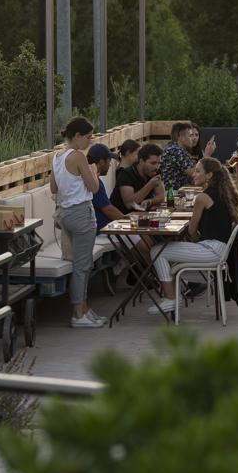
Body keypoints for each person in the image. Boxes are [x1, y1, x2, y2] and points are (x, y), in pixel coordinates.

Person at [148, 157, 238, 316]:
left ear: (209, 175)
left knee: (157, 251)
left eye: (198, 171)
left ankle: (171, 298)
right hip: (223, 250)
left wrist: (195, 240)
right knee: (168, 253)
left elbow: (192, 232)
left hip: (211, 251)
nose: (194, 173)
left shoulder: (202, 198)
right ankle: (176, 293)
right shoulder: (227, 193)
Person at [49, 116, 106, 328]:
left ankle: (83, 309)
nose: (90, 141)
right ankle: (78, 314)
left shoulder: (56, 156)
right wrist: (92, 172)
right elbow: (94, 188)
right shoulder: (79, 157)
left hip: (65, 215)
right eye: (89, 137)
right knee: (82, 266)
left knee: (79, 264)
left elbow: (54, 188)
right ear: (77, 136)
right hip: (82, 214)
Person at [160, 121, 216, 191]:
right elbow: (194, 172)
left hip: (182, 190)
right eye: (190, 135)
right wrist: (207, 155)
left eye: (195, 135)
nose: (193, 138)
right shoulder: (174, 150)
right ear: (181, 137)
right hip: (174, 194)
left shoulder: (179, 149)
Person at [112, 142, 165, 212]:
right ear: (141, 161)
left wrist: (150, 201)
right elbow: (129, 204)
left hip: (143, 216)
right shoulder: (126, 174)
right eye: (153, 163)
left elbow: (161, 197)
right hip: (124, 218)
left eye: (159, 163)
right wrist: (150, 185)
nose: (156, 167)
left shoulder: (154, 171)